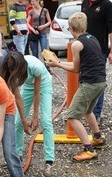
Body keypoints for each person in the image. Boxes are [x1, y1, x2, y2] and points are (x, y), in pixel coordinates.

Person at [45, 12, 105, 161]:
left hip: (89, 83)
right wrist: (57, 63)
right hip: (100, 81)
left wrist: (57, 64)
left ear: (71, 28)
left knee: (71, 116)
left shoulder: (76, 44)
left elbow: (76, 69)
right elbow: (79, 65)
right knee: (88, 110)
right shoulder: (92, 38)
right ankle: (97, 137)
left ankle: (89, 149)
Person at [0, 51, 54, 177]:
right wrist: (24, 120)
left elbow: (37, 93)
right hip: (28, 86)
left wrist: (34, 117)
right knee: (17, 122)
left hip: (43, 85)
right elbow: (17, 98)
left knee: (46, 121)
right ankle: (18, 155)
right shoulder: (10, 69)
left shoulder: (35, 66)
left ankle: (49, 161)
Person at [79, 0, 112, 117]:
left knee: (97, 83)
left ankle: (96, 114)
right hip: (83, 49)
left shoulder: (107, 5)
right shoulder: (84, 3)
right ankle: (86, 112)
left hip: (99, 51)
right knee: (82, 80)